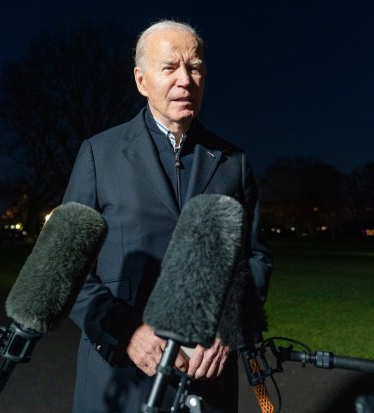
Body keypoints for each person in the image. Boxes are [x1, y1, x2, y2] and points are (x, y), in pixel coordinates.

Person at [63, 19, 273, 413]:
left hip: (206, 379)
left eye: (195, 67)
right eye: (170, 67)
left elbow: (256, 259)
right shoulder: (98, 155)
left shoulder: (233, 163)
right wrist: (125, 331)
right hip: (118, 379)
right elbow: (68, 268)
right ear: (142, 81)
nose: (186, 79)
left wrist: (228, 328)